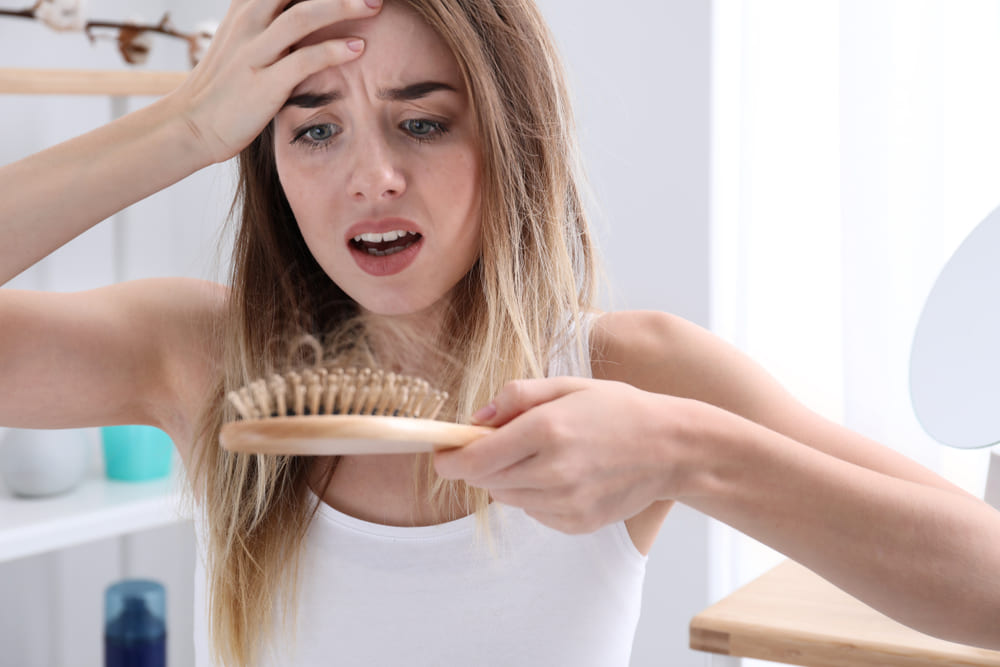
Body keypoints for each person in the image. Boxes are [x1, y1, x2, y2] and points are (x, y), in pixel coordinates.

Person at [2, 0, 999, 664]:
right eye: (312, 127)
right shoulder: (202, 357)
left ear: (510, 138)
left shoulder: (631, 375)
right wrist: (182, 124)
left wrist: (690, 451)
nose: (371, 176)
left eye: (423, 121)